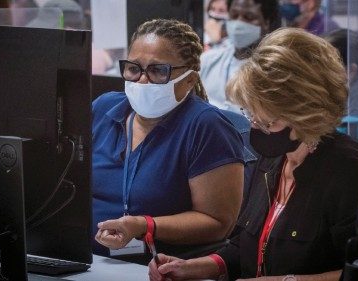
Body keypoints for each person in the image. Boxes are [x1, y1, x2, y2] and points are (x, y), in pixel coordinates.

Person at [148, 28, 358, 281]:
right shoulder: (273, 158)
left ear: (306, 115)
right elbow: (246, 247)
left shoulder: (347, 170)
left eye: (268, 123)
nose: (256, 128)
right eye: (251, 115)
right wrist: (194, 267)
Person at [93, 19, 245, 263]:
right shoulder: (104, 108)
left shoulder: (206, 127)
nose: (142, 80)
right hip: (92, 261)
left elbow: (218, 223)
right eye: (133, 68)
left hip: (162, 268)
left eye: (157, 71)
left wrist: (144, 226)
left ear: (189, 80)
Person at [200, 0, 281, 113]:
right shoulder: (208, 60)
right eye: (234, 15)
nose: (238, 23)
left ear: (267, 22)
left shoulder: (274, 72)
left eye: (248, 17)